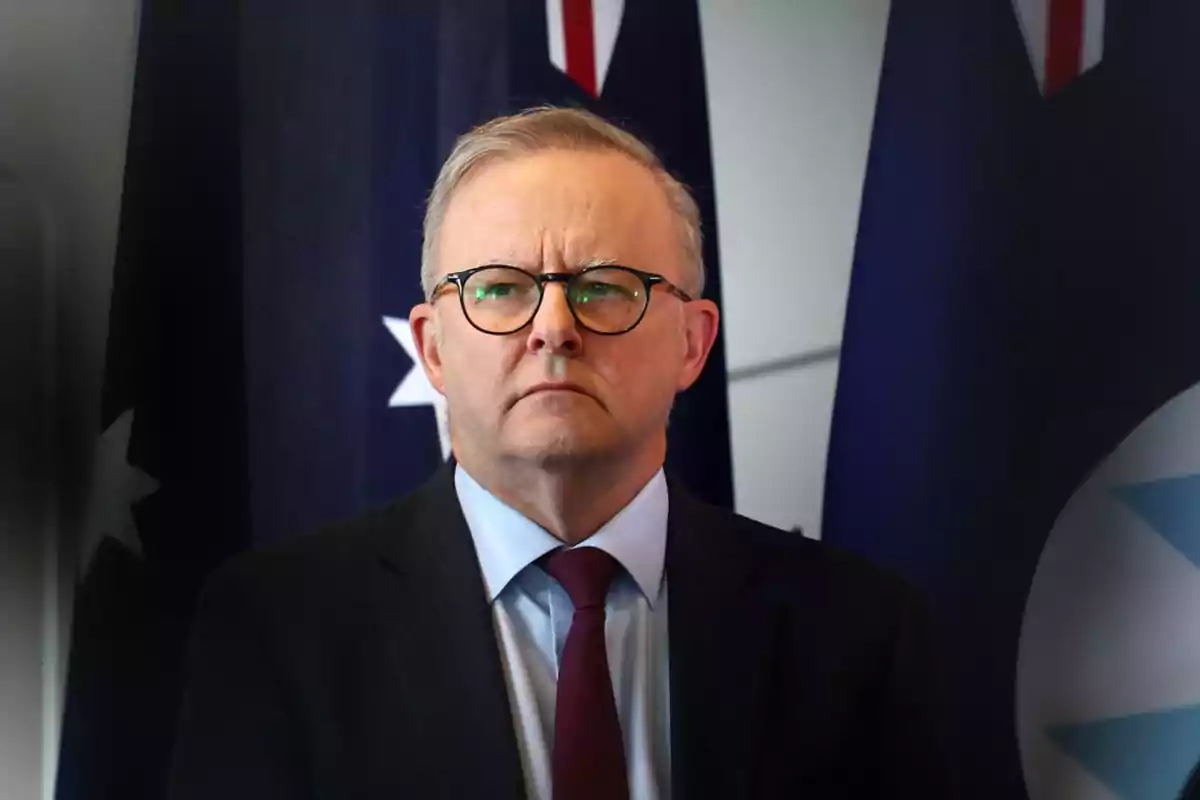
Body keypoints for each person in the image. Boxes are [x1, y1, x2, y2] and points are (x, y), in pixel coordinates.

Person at [167, 106, 948, 799]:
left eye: (605, 285)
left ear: (692, 341)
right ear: (432, 348)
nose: (554, 327)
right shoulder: (276, 630)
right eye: (499, 288)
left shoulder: (865, 633)